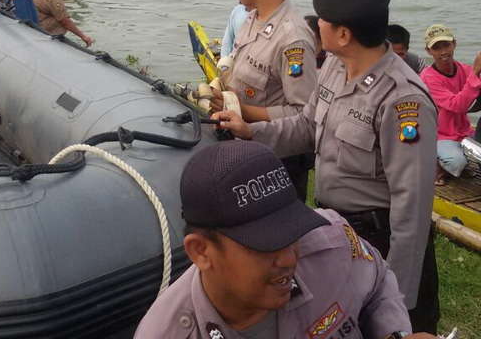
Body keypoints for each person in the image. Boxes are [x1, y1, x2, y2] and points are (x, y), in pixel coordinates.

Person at [215, 0, 439, 334]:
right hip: (339, 233)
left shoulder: (402, 101)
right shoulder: (335, 64)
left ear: (344, 34)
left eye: (323, 20)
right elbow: (307, 126)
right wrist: (250, 131)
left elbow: (411, 210)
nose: (316, 25)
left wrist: (395, 295)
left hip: (381, 241)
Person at [135, 140, 433, 339]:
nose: (290, 258)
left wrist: (393, 333)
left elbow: (377, 280)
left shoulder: (332, 243)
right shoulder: (165, 332)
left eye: (291, 232)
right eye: (265, 243)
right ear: (201, 251)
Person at [210, 0, 317, 202]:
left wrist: (238, 109)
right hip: (243, 150)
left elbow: (304, 117)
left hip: (277, 166)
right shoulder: (251, 18)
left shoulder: (293, 39)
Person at [420, 24, 481, 186]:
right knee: (457, 163)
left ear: (454, 44)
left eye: (446, 45)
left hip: (465, 132)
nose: (443, 51)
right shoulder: (428, 78)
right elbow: (457, 105)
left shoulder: (464, 69)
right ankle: (435, 161)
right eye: (436, 47)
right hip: (440, 135)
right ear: (428, 51)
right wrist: (475, 73)